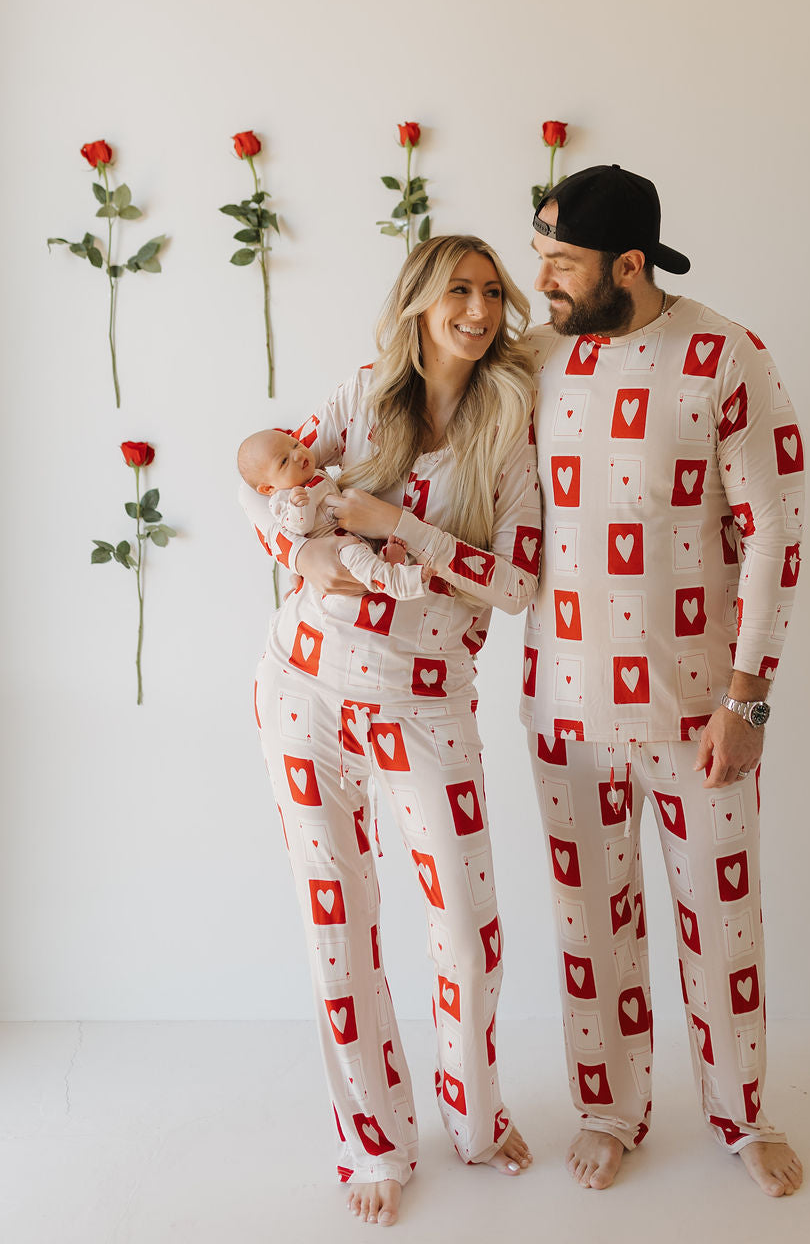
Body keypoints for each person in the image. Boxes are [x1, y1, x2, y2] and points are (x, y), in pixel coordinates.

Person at [240, 236, 540, 1227]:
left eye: (493, 292)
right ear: (416, 302)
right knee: (339, 933)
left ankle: (475, 1117)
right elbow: (265, 488)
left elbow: (519, 583)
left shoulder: (511, 428)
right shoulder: (363, 394)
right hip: (305, 690)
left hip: (424, 705)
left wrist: (397, 526)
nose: (478, 308)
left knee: (467, 932)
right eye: (457, 289)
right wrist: (307, 550)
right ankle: (372, 1139)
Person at [522, 164, 805, 1198]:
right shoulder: (534, 360)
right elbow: (407, 402)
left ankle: (742, 1115)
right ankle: (610, 1106)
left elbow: (774, 527)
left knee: (721, 923)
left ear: (627, 264)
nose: (540, 280)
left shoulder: (725, 355)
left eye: (560, 261)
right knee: (587, 921)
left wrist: (747, 699)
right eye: (539, 255)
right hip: (562, 707)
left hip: (698, 714)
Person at [237, 427, 429, 601]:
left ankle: (385, 559)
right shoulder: (282, 499)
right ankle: (398, 582)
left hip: (351, 531)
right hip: (334, 548)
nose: (296, 454)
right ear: (269, 487)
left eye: (295, 444)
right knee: (355, 555)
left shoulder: (317, 473)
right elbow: (298, 527)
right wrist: (298, 507)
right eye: (284, 461)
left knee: (369, 547)